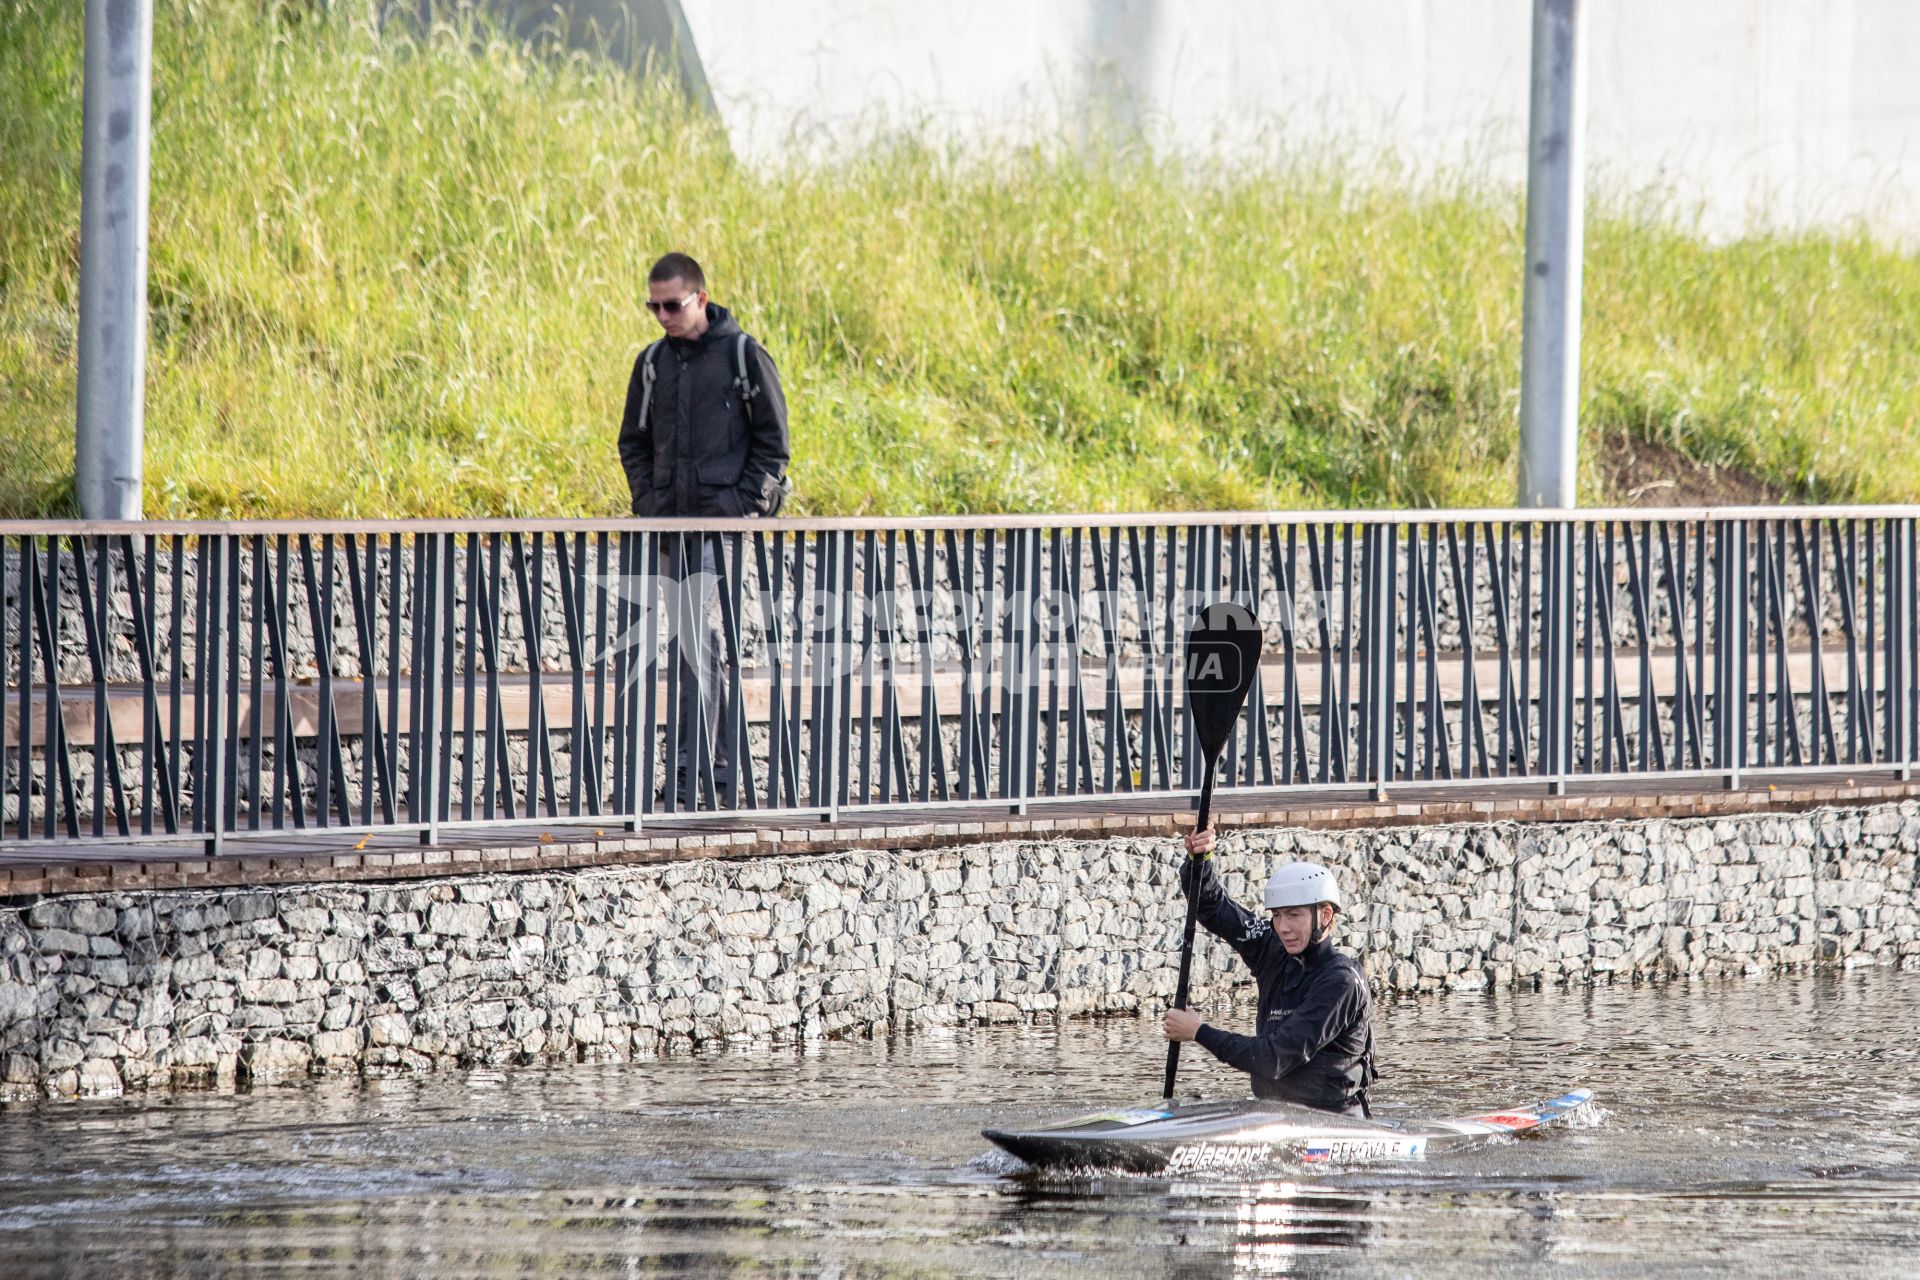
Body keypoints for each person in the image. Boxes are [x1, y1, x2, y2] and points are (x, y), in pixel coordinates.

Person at [617, 253, 790, 805]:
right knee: (692, 644)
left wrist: (739, 508)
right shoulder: (651, 364)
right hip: (670, 524)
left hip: (720, 529)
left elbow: (774, 444)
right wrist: (649, 501)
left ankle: (702, 774)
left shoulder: (744, 356)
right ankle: (703, 773)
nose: (663, 315)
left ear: (701, 298)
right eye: (654, 305)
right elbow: (632, 442)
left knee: (702, 642)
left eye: (672, 304)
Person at [1161, 828, 1377, 1116]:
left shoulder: (1341, 981)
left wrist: (1198, 1031)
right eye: (1276, 915)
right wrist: (1200, 859)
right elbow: (1213, 908)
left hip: (1333, 1119)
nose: (1283, 927)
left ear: (1325, 916)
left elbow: (1273, 1059)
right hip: (1273, 1114)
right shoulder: (1272, 949)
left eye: (1294, 915)